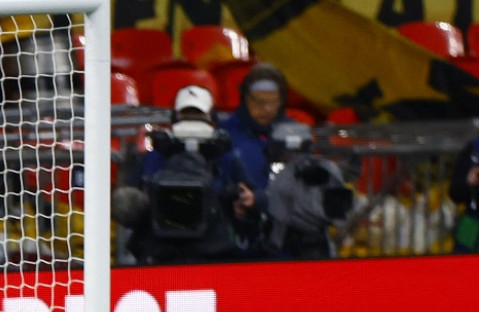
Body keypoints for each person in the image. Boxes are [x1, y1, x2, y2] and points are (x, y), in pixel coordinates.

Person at [117, 85, 261, 265]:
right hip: (161, 248)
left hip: (213, 250)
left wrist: (248, 201)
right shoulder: (153, 158)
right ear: (175, 118)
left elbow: (254, 197)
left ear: (211, 118)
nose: (193, 123)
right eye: (187, 115)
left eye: (199, 116)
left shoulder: (227, 158)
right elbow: (132, 203)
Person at [262, 120, 354, 260]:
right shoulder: (282, 172)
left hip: (308, 242)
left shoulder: (323, 167)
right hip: (286, 241)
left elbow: (339, 208)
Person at [219, 63, 291, 205]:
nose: (266, 109)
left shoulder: (295, 135)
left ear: (282, 101)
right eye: (258, 102)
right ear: (245, 98)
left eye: (273, 102)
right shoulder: (224, 135)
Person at [448, 136, 479, 253]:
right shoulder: (474, 149)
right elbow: (455, 193)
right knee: (463, 268)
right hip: (472, 222)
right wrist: (468, 181)